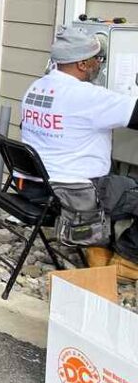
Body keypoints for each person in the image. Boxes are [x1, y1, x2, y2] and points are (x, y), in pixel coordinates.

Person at [21, 26, 138, 260]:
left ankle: (98, 241)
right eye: (98, 59)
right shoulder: (87, 96)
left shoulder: (36, 88)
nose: (100, 64)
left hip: (35, 188)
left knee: (119, 179)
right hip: (72, 192)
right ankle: (127, 260)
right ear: (82, 64)